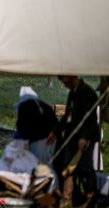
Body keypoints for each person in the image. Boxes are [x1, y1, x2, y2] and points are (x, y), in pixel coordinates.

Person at [47, 76, 99, 207]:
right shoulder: (73, 93)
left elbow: (92, 118)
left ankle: (89, 200)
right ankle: (67, 200)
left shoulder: (87, 92)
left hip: (85, 140)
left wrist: (85, 137)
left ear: (71, 77)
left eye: (63, 79)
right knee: (68, 170)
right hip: (72, 139)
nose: (62, 83)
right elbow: (67, 117)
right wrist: (55, 132)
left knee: (85, 170)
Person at [15, 86, 58, 165]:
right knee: (50, 165)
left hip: (38, 142)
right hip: (52, 141)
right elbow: (55, 123)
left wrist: (20, 141)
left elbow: (21, 126)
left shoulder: (24, 106)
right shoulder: (45, 106)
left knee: (40, 167)